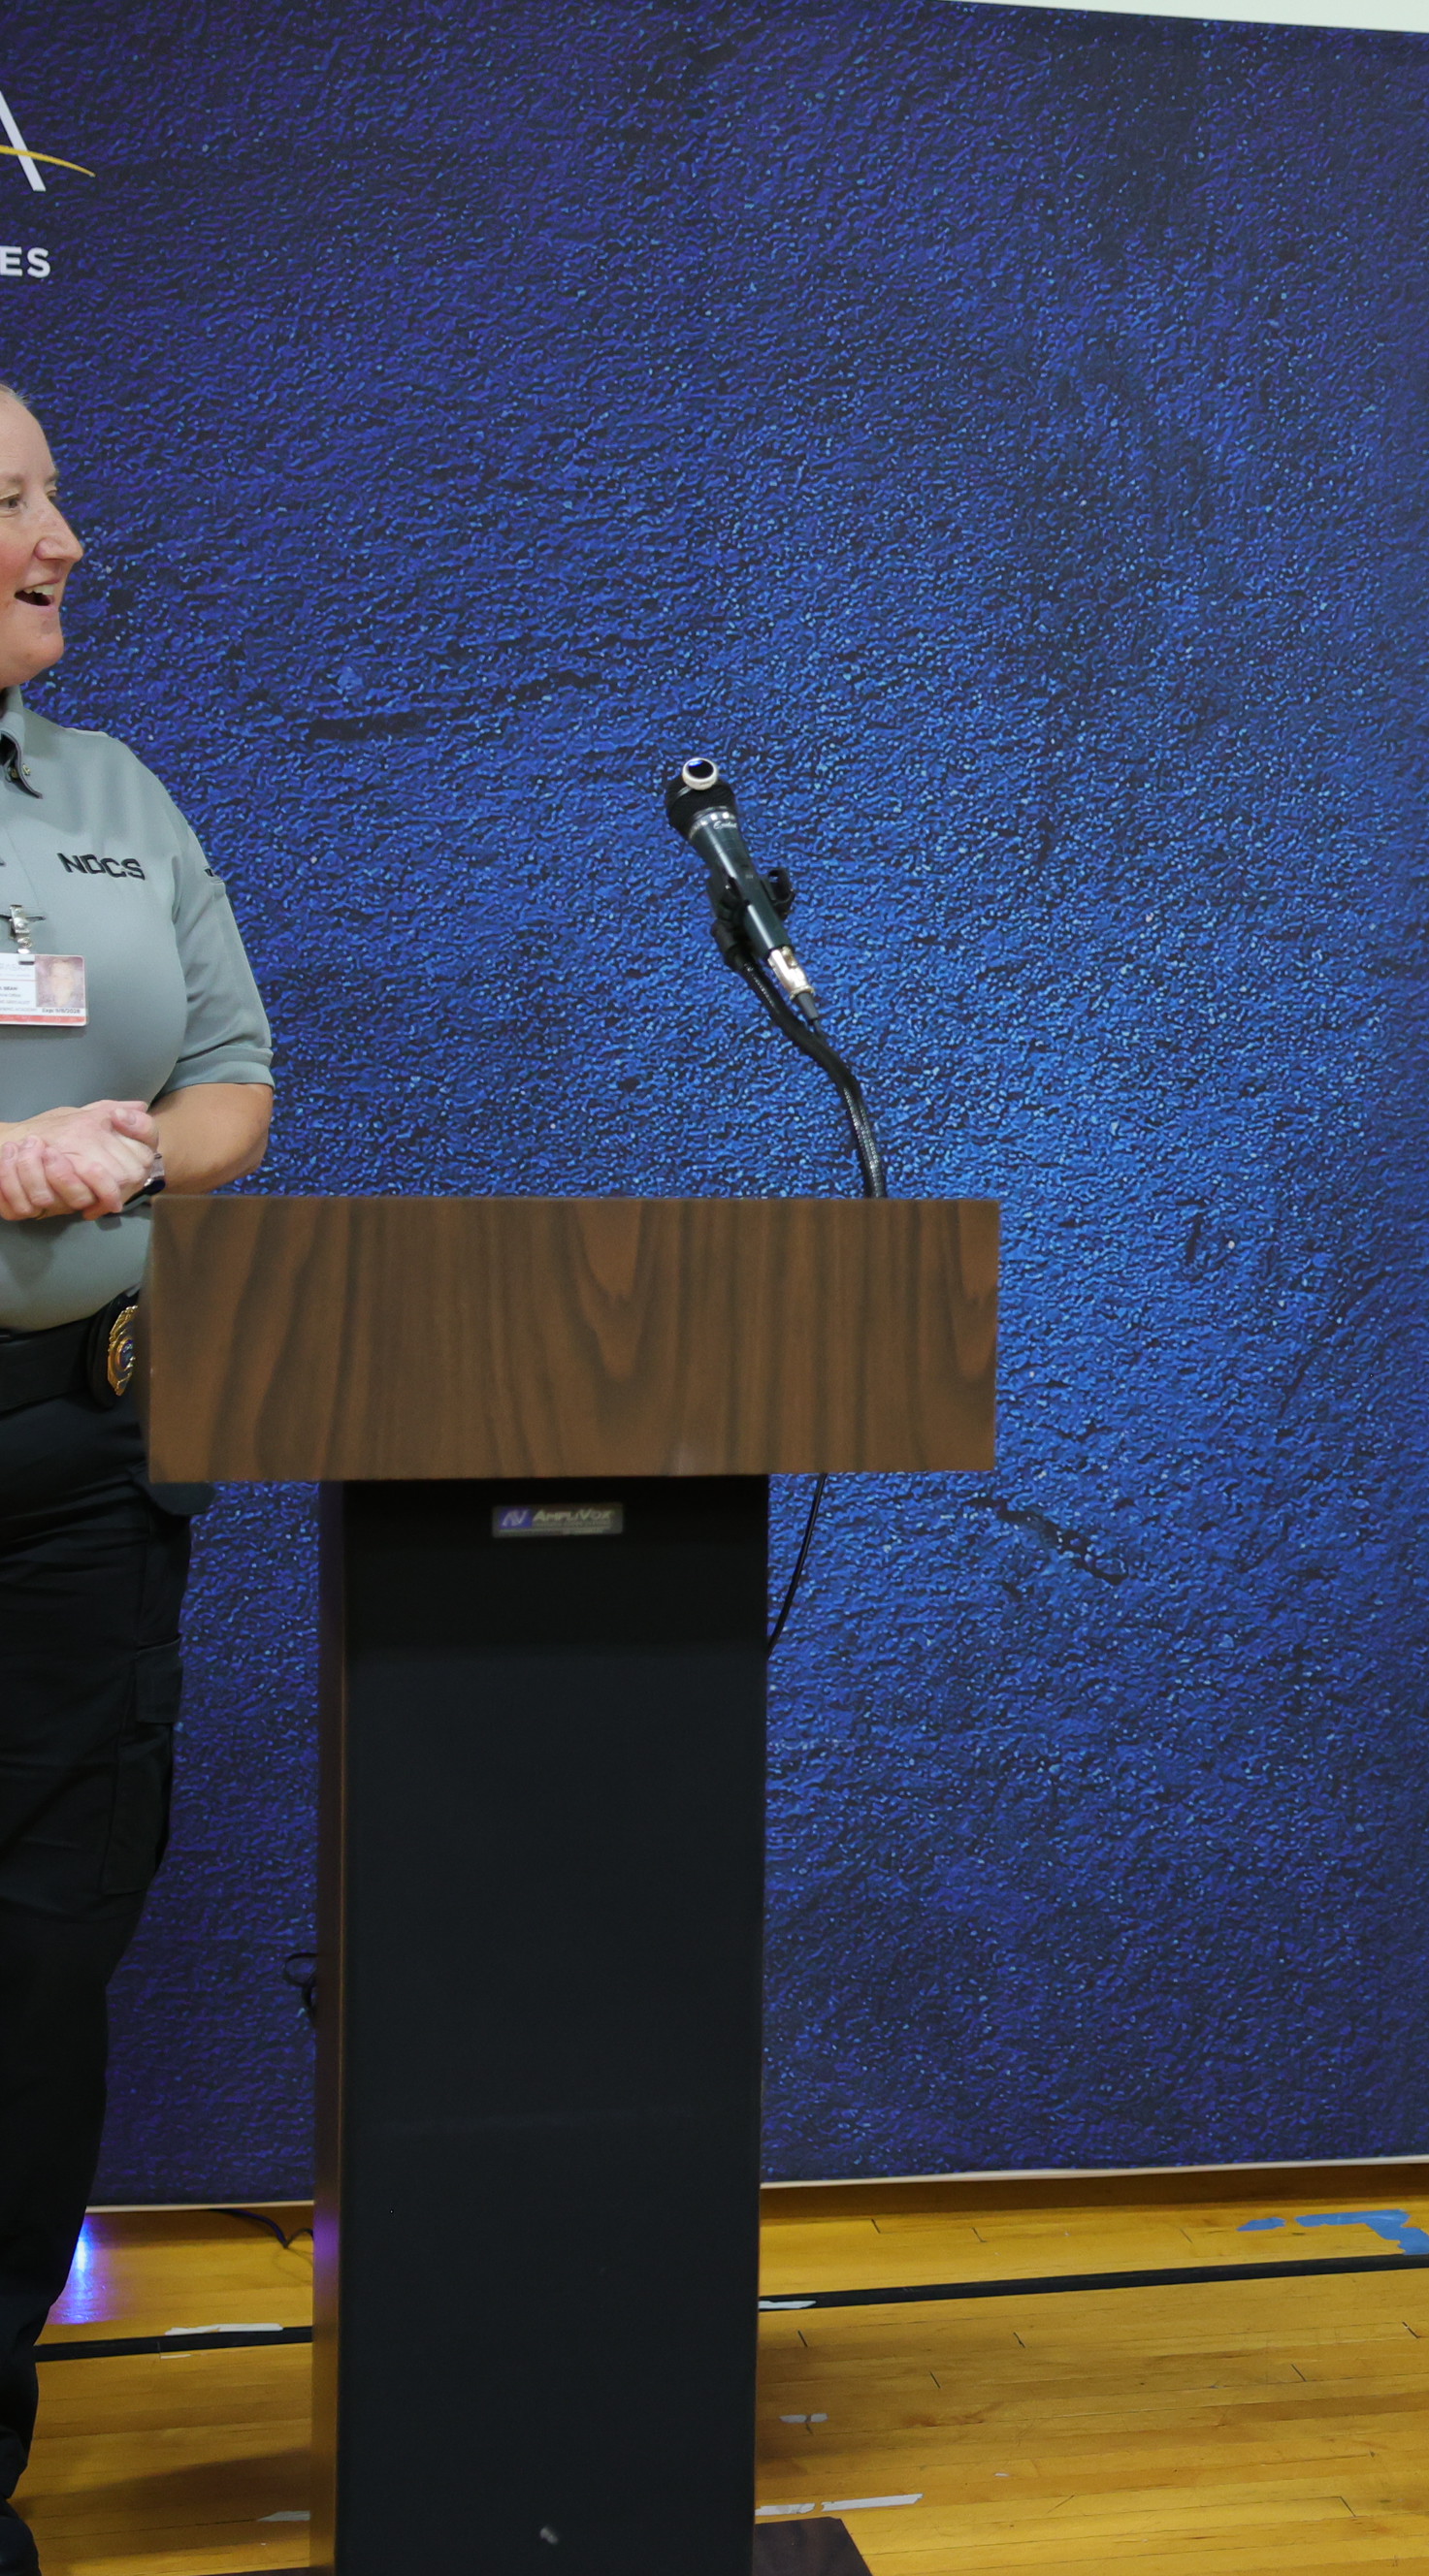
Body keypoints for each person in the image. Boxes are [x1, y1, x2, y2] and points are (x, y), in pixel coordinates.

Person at [0, 383, 276, 2570]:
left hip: (88, 1468)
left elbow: (234, 1077)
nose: (66, 537)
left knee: (35, 1978)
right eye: (14, 501)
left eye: (56, 493)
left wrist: (125, 1148)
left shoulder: (110, 794)